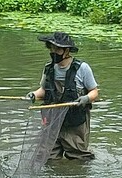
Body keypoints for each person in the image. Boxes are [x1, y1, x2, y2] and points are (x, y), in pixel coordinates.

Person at [24, 32, 99, 160]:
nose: (54, 52)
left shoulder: (82, 68)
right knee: (48, 156)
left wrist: (86, 98)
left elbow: (94, 92)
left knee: (78, 157)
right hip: (52, 120)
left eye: (57, 49)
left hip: (75, 120)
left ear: (67, 50)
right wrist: (33, 95)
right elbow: (44, 90)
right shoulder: (49, 68)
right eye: (51, 49)